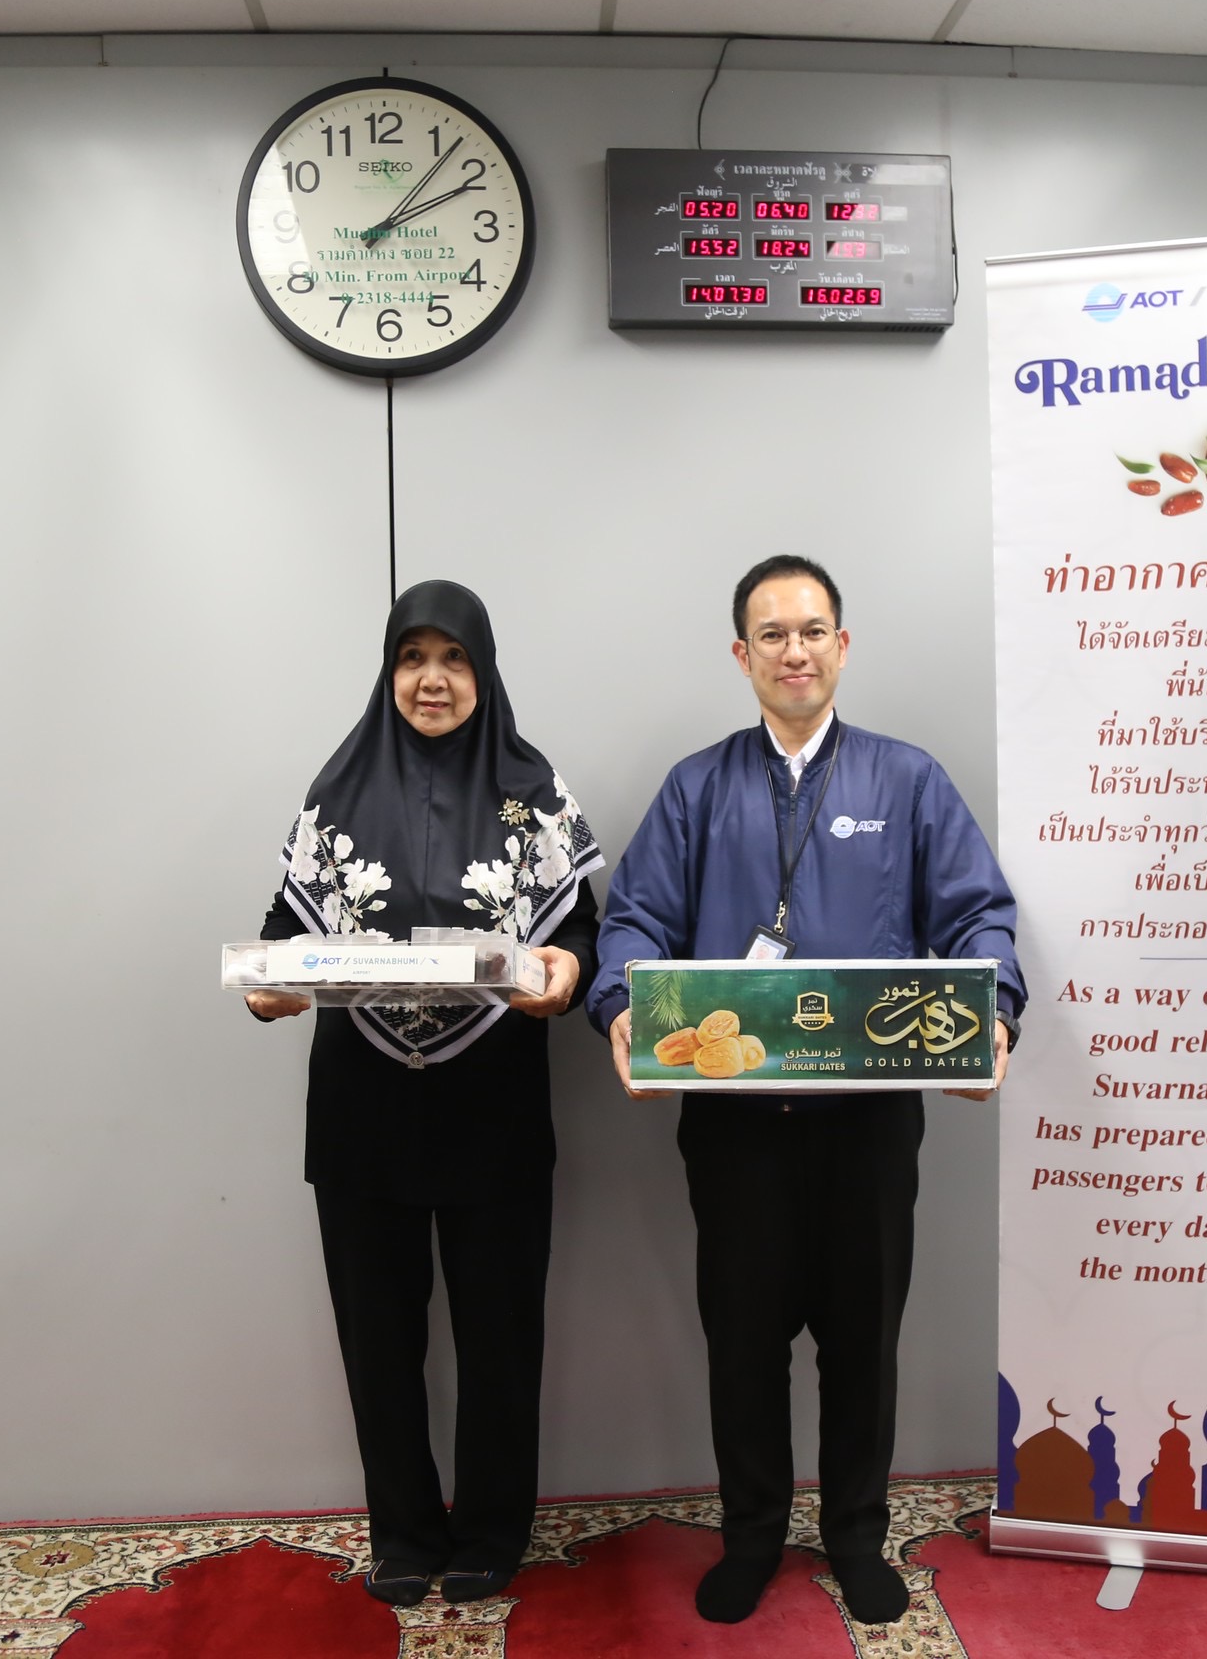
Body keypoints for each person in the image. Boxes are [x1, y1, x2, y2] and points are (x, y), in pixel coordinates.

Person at [587, 555, 1025, 1627]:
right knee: (742, 1345)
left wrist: (996, 1013)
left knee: (863, 1344)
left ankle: (857, 1538)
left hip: (868, 1126)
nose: (795, 651)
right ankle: (750, 1537)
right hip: (735, 1128)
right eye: (773, 635)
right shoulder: (698, 788)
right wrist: (622, 1008)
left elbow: (979, 914)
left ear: (843, 644)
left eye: (813, 630)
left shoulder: (907, 781)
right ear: (742, 655)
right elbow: (633, 920)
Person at [245, 580, 603, 1608]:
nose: (432, 679)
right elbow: (282, 930)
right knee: (378, 1341)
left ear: (483, 672)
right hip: (363, 1115)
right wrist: (268, 986)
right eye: (412, 658)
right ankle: (402, 1531)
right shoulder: (336, 791)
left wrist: (570, 971)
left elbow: (581, 927)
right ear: (388, 671)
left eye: (454, 658)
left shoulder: (535, 792)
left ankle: (490, 1530)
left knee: (500, 1341)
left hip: (494, 1109)